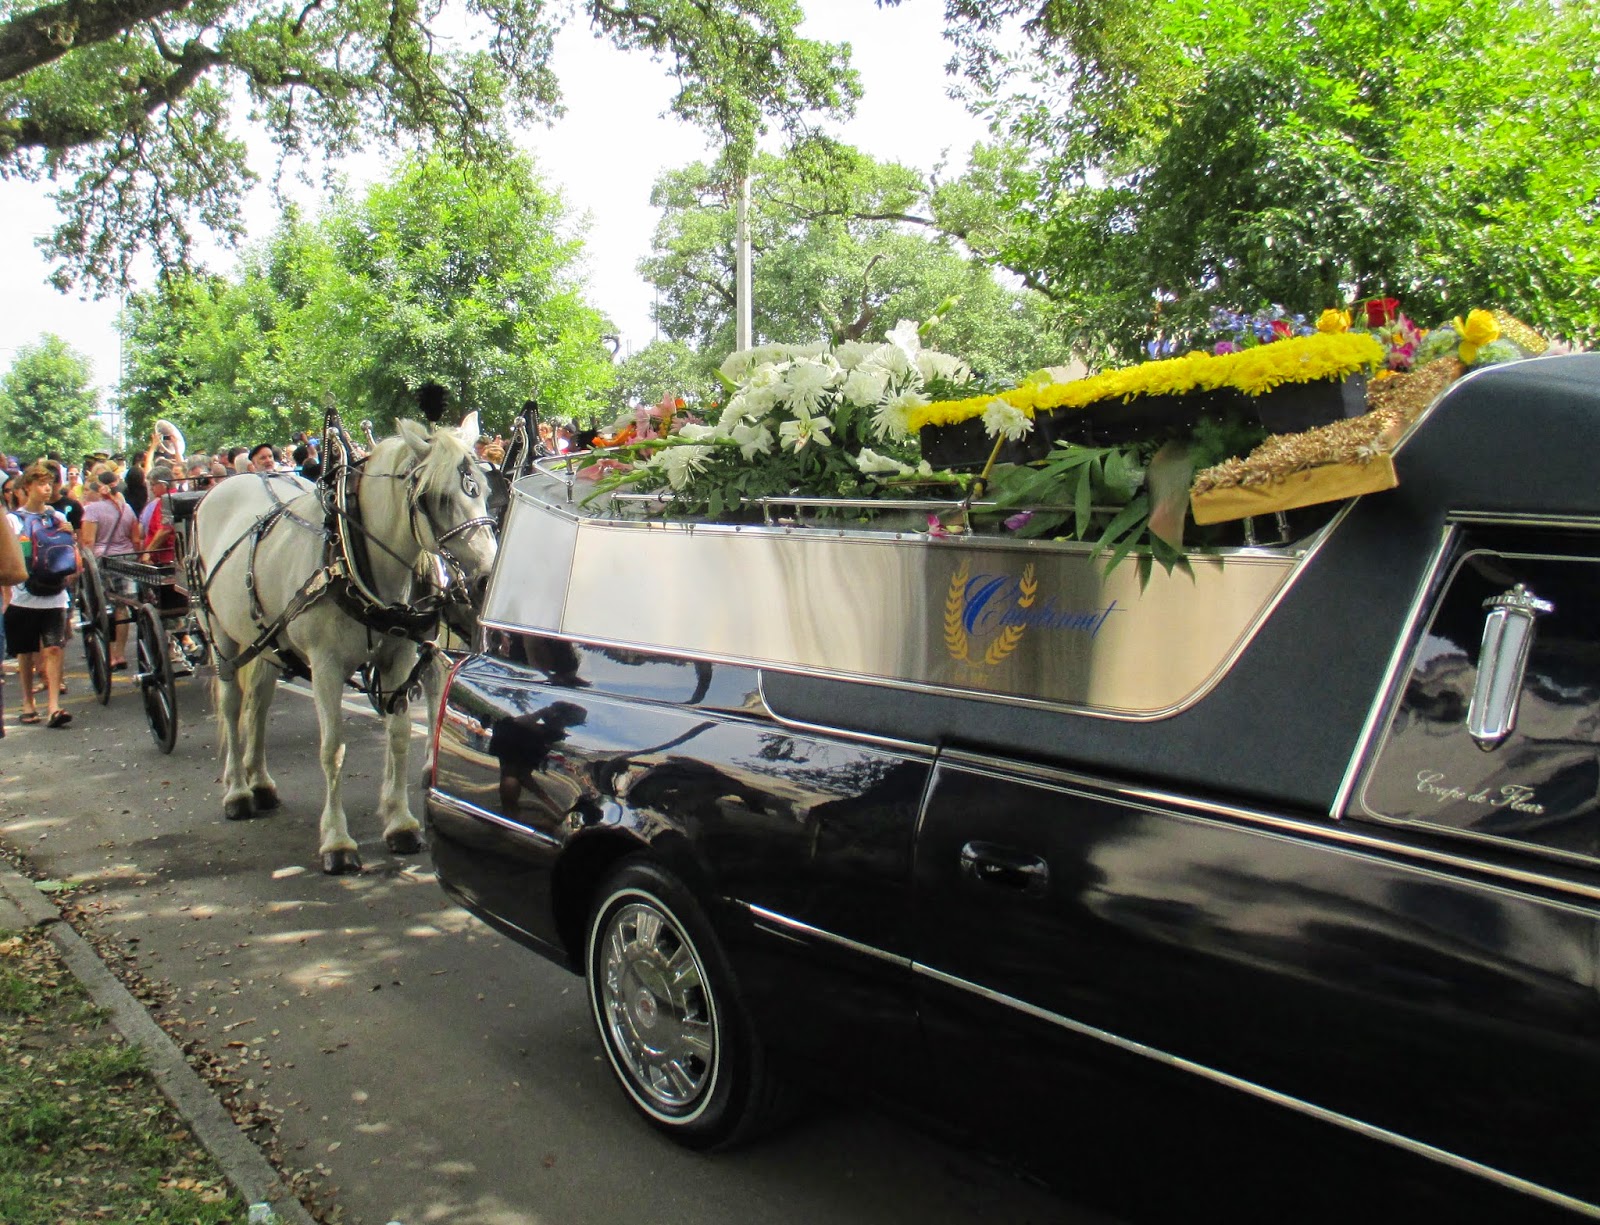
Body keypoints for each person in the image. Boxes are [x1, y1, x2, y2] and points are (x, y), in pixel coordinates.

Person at [4, 463, 76, 728]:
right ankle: (28, 702)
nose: (47, 488)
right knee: (26, 652)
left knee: (54, 648)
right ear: (27, 487)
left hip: (54, 593)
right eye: (41, 484)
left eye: (49, 483)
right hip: (24, 595)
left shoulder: (56, 516)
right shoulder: (13, 520)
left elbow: (69, 552)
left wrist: (70, 535)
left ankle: (54, 706)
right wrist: (6, 595)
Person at [80, 468, 139, 671]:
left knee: (107, 607)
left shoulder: (92, 510)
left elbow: (88, 541)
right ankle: (119, 653)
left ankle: (111, 650)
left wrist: (86, 566)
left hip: (105, 560)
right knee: (123, 607)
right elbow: (136, 538)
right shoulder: (127, 508)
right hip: (127, 559)